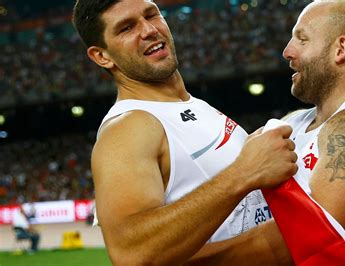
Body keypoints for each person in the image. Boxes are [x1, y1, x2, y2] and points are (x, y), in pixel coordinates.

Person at [190, 1, 345, 265]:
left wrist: (174, 258)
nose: (287, 52)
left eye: (302, 39)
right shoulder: (294, 123)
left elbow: (296, 241)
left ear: (340, 49)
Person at [72, 0, 297, 265]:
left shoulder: (191, 106)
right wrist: (244, 172)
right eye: (126, 28)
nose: (148, 30)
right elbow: (132, 253)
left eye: (151, 15)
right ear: (102, 56)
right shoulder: (128, 127)